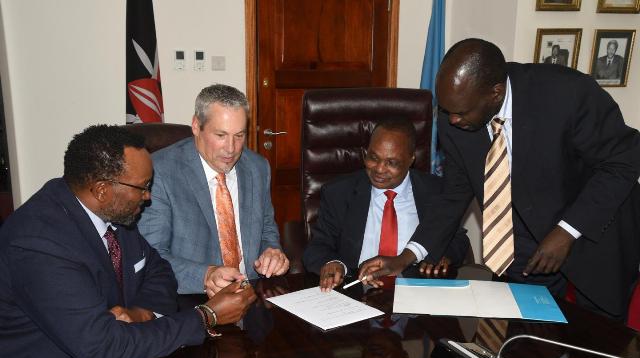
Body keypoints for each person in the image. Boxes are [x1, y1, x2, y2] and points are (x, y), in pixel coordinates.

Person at [358, 38, 640, 320]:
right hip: (522, 238)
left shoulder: (568, 94)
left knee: (597, 338)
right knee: (528, 334)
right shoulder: (453, 116)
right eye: (446, 110)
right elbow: (455, 193)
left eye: (461, 112)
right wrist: (406, 257)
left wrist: (567, 230)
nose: (452, 120)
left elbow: (624, 160)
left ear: (495, 93)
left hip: (595, 226)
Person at [0, 125, 256, 358]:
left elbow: (158, 269)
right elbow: (105, 351)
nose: (148, 197)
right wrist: (205, 316)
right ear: (102, 189)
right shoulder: (38, 247)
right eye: (143, 186)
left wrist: (141, 312)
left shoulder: (112, 215)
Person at [139, 84, 289, 295]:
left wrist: (272, 252)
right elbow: (151, 256)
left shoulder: (257, 167)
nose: (231, 148)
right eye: (221, 135)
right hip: (192, 301)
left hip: (253, 294)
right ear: (196, 126)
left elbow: (266, 229)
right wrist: (205, 275)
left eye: (239, 135)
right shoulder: (160, 172)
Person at [303, 118, 470, 291]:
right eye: (373, 158)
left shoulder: (436, 191)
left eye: (392, 163)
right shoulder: (339, 192)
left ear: (410, 159)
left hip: (415, 290)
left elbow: (458, 239)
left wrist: (443, 253)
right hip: (358, 289)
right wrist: (334, 264)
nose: (379, 169)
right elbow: (317, 247)